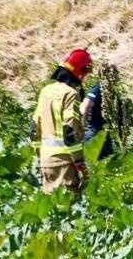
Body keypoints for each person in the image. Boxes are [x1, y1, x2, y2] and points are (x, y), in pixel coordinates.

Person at [32, 48, 92, 193]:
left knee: (51, 206)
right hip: (64, 164)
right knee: (69, 205)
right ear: (81, 71)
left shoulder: (46, 91)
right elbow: (69, 132)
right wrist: (80, 164)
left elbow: (34, 129)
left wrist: (39, 158)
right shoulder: (70, 94)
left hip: (45, 162)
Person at [82, 67, 116, 159]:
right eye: (113, 74)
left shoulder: (110, 90)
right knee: (89, 158)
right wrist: (82, 125)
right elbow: (86, 105)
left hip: (106, 131)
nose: (115, 77)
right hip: (95, 130)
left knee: (108, 160)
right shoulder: (98, 88)